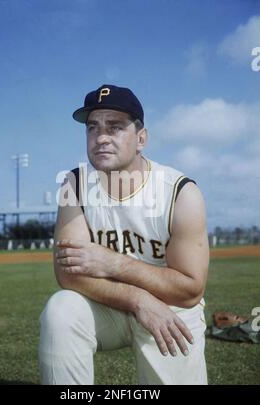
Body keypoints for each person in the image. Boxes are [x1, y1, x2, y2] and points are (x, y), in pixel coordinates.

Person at [38, 84, 209, 385]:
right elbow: (69, 275)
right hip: (109, 303)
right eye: (93, 128)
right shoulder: (75, 185)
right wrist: (138, 299)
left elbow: (190, 290)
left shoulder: (180, 192)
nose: (101, 137)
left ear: (141, 139)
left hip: (171, 306)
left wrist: (113, 263)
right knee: (61, 310)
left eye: (115, 127)